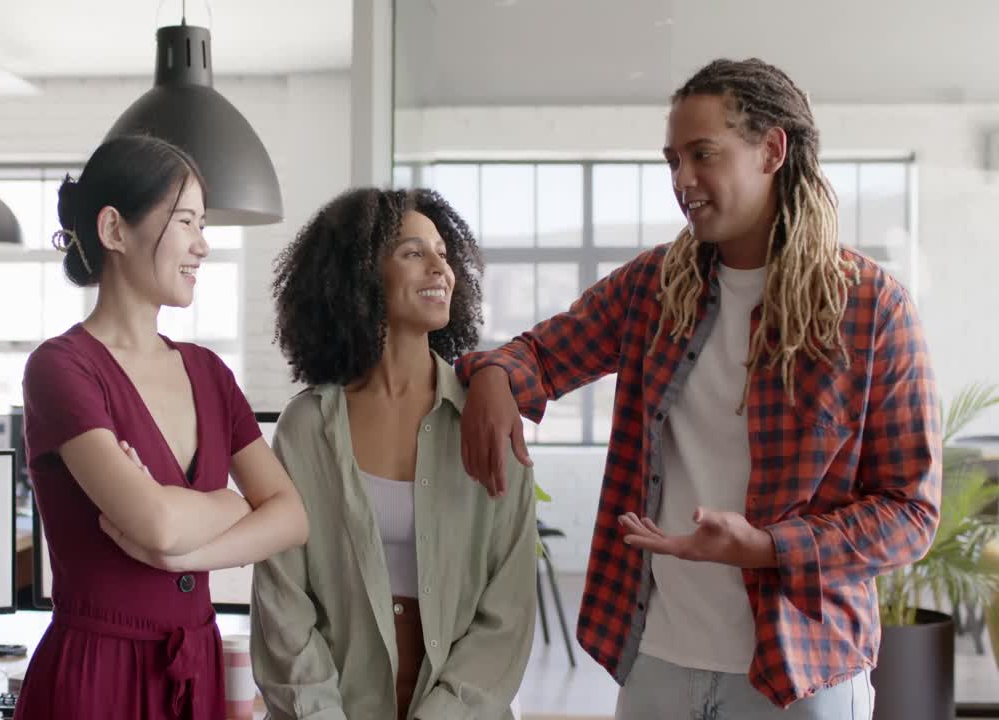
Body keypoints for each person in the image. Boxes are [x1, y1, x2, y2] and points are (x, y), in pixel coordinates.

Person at [455, 58, 941, 718]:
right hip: (659, 658)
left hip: (801, 673)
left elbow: (910, 514)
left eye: (703, 155)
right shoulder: (653, 288)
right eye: (672, 160)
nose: (683, 180)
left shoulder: (870, 307)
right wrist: (490, 377)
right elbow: (539, 354)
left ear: (772, 150)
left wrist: (769, 547)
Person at [15, 134, 308, 720]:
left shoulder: (209, 372)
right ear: (114, 230)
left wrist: (179, 555)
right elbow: (153, 521)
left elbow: (292, 517)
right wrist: (231, 505)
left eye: (203, 225)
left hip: (194, 666)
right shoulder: (61, 368)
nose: (202, 245)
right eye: (186, 221)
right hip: (96, 676)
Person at [251, 188, 536, 720]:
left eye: (444, 255)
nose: (439, 268)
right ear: (360, 275)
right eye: (413, 252)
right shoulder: (306, 427)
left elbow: (508, 614)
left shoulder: (488, 418)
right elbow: (283, 606)